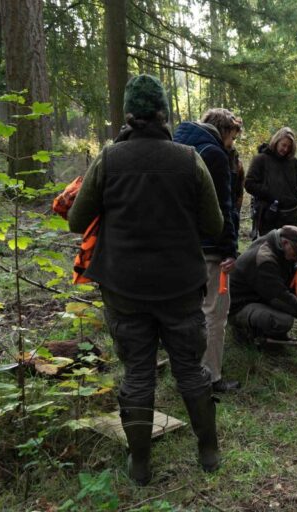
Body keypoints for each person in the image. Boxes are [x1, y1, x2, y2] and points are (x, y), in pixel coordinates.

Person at [68, 74, 224, 483]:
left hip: (123, 288)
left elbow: (77, 220)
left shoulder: (108, 159)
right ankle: (208, 452)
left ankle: (140, 465)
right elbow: (215, 224)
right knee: (189, 369)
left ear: (128, 116)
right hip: (181, 285)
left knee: (137, 373)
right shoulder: (190, 159)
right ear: (163, 114)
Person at [173, 108, 241, 393]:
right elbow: (223, 206)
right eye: (232, 137)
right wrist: (230, 250)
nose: (232, 144)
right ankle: (211, 376)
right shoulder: (214, 154)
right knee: (215, 312)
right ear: (223, 131)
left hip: (180, 245)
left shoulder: (178, 147)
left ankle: (185, 370)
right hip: (211, 248)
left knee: (186, 311)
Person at [228, 225, 297, 343]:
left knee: (293, 278)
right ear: (285, 243)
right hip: (239, 306)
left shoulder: (276, 242)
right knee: (283, 321)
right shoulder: (265, 260)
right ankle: (244, 330)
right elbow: (280, 298)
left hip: (258, 294)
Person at [245, 127, 297, 237]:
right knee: (269, 246)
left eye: (289, 147)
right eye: (283, 145)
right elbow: (249, 184)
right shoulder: (261, 159)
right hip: (269, 216)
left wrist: (295, 194)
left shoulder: (294, 162)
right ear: (276, 141)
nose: (285, 149)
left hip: (291, 215)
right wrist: (270, 192)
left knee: (290, 245)